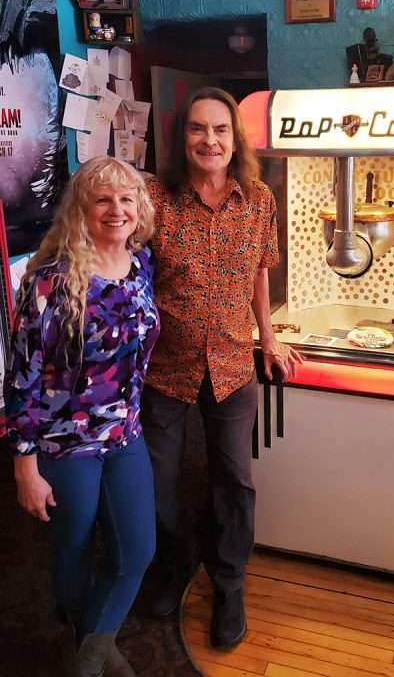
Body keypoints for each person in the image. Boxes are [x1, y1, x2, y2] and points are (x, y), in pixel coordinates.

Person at [141, 86, 303, 649]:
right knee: (159, 485)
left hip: (234, 366)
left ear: (235, 140)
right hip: (165, 369)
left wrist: (270, 340)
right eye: (197, 128)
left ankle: (229, 584)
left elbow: (261, 271)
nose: (209, 140)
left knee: (233, 481)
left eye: (220, 130)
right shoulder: (152, 200)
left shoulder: (259, 199)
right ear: (181, 137)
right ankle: (173, 563)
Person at [3, 157, 160, 677]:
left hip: (125, 432)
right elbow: (21, 375)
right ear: (81, 210)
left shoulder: (140, 265)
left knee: (136, 549)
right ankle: (82, 632)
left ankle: (86, 661)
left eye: (126, 199)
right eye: (102, 199)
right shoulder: (51, 282)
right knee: (72, 544)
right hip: (63, 440)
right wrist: (24, 465)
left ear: (139, 208)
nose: (117, 210)